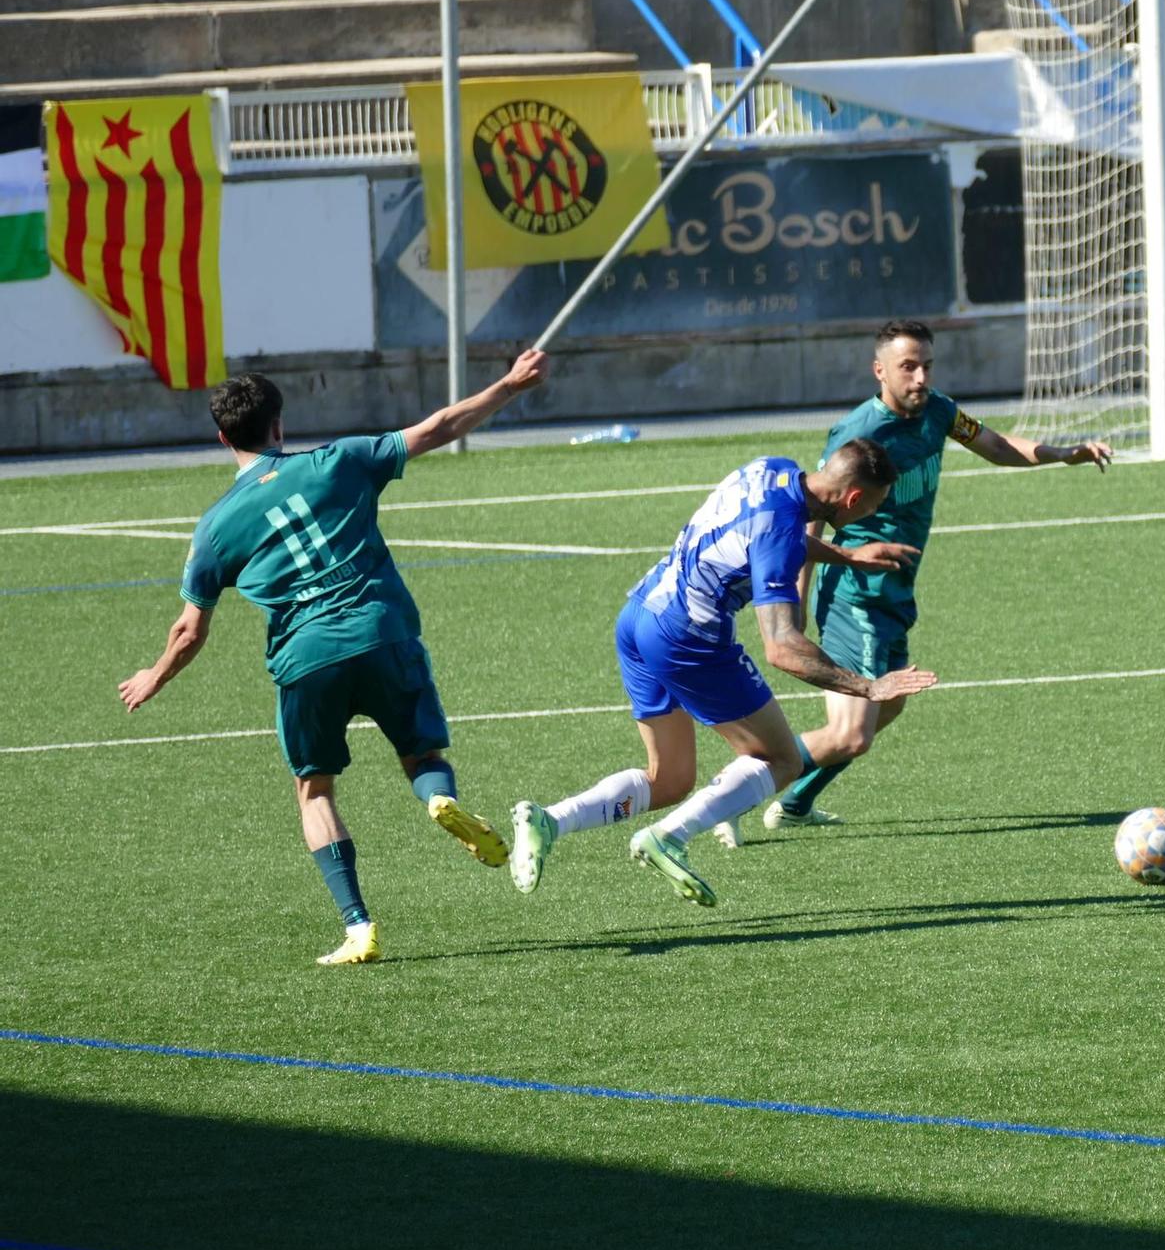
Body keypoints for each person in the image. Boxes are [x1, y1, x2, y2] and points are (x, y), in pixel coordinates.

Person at [117, 350, 551, 966]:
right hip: (383, 633)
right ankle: (436, 799)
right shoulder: (340, 461)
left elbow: (189, 631)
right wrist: (509, 384)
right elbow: (439, 427)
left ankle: (358, 928)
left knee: (314, 791)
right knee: (422, 755)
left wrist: (152, 676)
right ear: (279, 426)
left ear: (222, 438)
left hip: (306, 658)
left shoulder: (214, 528)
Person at [715, 318, 1113, 846]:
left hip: (895, 592)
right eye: (908, 367)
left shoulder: (940, 412)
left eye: (926, 365)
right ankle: (732, 791)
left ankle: (794, 802)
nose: (920, 377)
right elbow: (812, 512)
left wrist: (1064, 454)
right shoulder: (859, 435)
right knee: (851, 734)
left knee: (891, 705)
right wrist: (800, 593)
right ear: (880, 371)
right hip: (857, 594)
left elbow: (994, 444)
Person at [508, 442, 937, 900]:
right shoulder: (781, 533)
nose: (870, 514)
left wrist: (846, 556)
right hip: (687, 638)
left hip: (639, 615)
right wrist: (868, 687)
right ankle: (667, 838)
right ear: (852, 499)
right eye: (872, 505)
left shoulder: (772, 469)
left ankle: (549, 820)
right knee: (782, 759)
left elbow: (776, 534)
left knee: (670, 778)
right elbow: (783, 648)